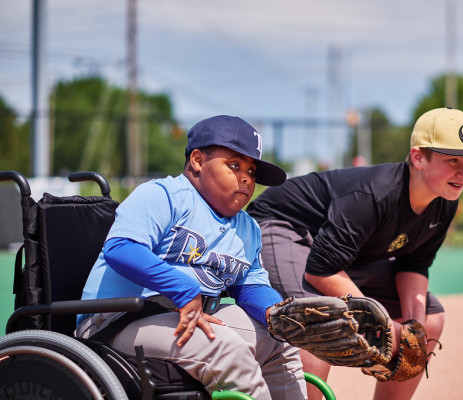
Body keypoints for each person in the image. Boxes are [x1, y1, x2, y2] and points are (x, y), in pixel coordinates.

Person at [246, 107, 463, 400]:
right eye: (452, 159)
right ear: (418, 157)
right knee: (314, 319)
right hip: (285, 226)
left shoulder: (444, 201)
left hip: (341, 254)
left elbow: (414, 264)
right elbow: (321, 269)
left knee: (431, 319)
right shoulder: (375, 194)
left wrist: (411, 329)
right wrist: (387, 327)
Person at [76, 115, 307, 400]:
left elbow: (250, 287)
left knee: (280, 339)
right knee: (225, 349)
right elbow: (121, 248)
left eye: (252, 170)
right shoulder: (164, 195)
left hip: (190, 316)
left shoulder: (248, 227)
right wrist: (183, 290)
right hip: (116, 319)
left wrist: (280, 314)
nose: (246, 178)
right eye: (234, 165)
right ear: (197, 160)